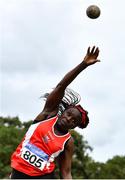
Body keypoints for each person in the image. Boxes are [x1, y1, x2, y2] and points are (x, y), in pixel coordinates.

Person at [10, 45, 100, 179]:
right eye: (69, 114)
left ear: (74, 127)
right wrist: (83, 65)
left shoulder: (68, 142)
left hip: (43, 176)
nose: (70, 119)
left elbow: (66, 172)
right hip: (19, 172)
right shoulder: (48, 114)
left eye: (74, 121)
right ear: (63, 112)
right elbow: (61, 86)